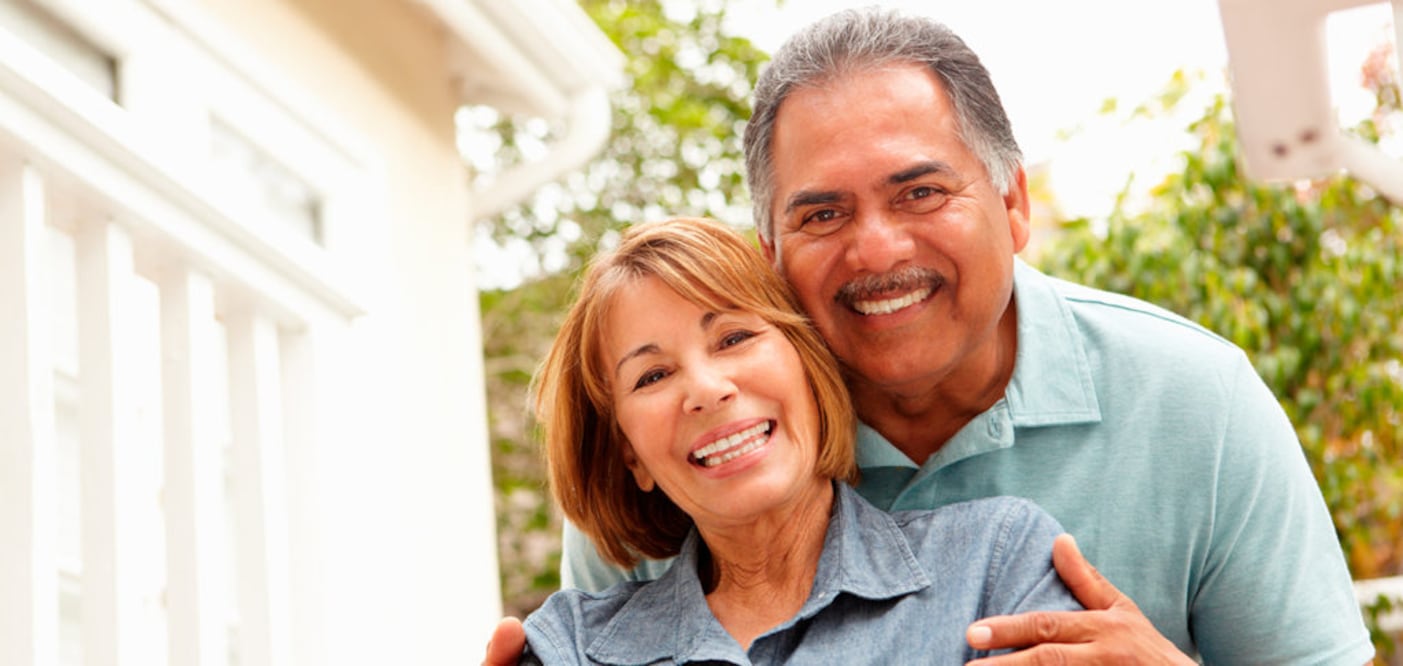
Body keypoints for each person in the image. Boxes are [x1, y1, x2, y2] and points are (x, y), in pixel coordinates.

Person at [487, 8, 1373, 664]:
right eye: (823, 212)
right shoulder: (705, 449)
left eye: (920, 192)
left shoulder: (1193, 400)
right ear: (772, 253)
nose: (876, 249)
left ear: (1013, 204)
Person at [517, 216, 1080, 664]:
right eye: (653, 376)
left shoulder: (998, 564)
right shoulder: (570, 646)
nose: (707, 390)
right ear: (629, 453)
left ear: (807, 365)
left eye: (734, 337)